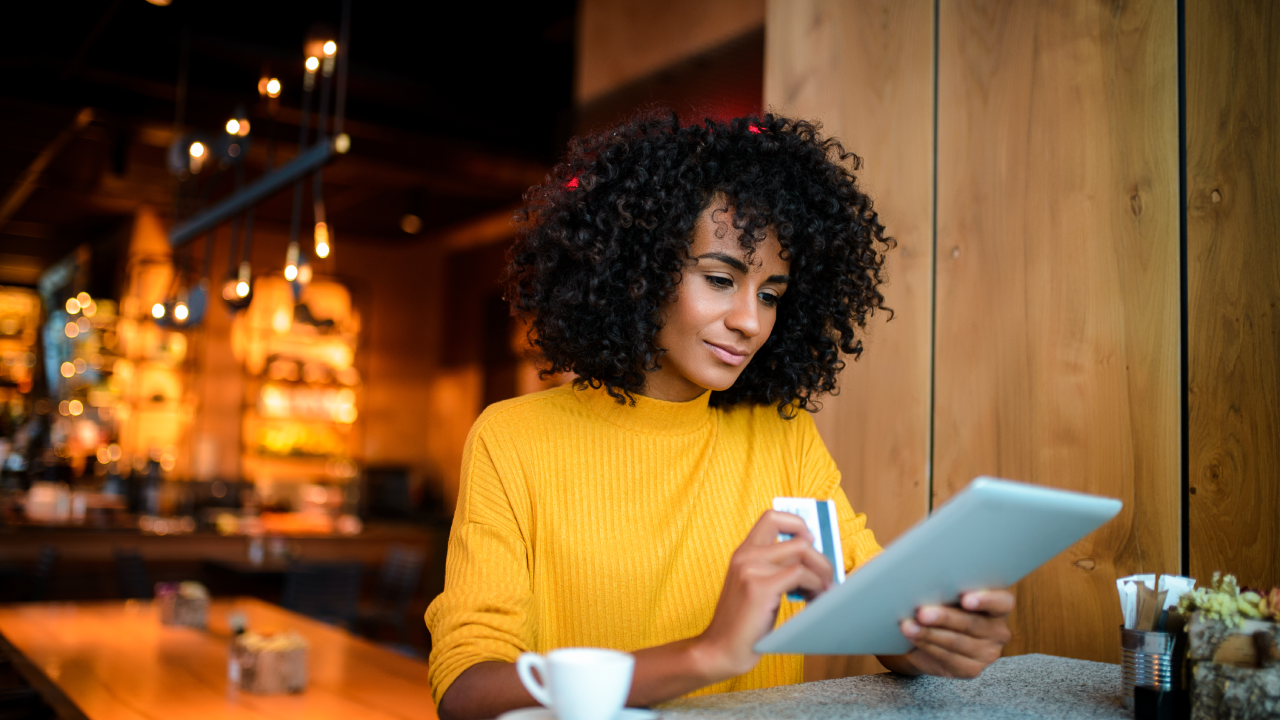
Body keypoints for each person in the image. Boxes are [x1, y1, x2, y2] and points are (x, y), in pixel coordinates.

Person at [426, 111, 1014, 720]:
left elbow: (873, 611)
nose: (750, 322)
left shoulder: (781, 435)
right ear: (638, 273)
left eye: (769, 295)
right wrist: (706, 654)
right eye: (718, 278)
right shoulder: (514, 439)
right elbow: (468, 690)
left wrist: (939, 635)